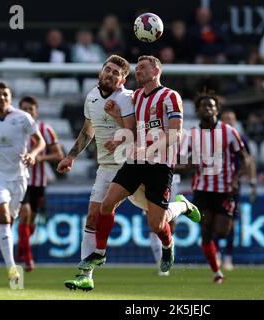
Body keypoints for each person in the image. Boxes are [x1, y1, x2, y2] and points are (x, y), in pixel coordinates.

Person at [58, 55, 200, 291]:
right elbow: (97, 129)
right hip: (120, 165)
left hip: (149, 163)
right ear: (100, 72)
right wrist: (72, 155)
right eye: (108, 70)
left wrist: (128, 139)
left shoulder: (149, 97)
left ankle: (181, 210)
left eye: (118, 72)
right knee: (98, 211)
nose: (111, 75)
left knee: (157, 223)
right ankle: (89, 268)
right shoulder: (111, 98)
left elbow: (161, 133)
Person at [0, 82, 46, 283]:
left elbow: (40, 141)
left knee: (9, 221)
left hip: (18, 176)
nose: (2, 98)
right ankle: (12, 269)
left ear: (10, 98)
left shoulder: (23, 118)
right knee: (4, 216)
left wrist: (32, 154)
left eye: (5, 94)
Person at [186, 92, 253, 283]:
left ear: (217, 109)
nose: (207, 108)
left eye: (211, 105)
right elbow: (181, 161)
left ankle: (222, 257)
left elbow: (245, 158)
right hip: (202, 189)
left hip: (225, 190)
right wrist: (188, 163)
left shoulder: (229, 132)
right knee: (206, 231)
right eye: (203, 106)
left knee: (222, 231)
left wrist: (236, 179)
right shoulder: (191, 134)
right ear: (197, 111)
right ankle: (217, 272)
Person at [17, 96, 64, 272]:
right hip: (20, 180)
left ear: (36, 111)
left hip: (39, 182)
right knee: (25, 213)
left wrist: (40, 157)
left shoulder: (45, 130)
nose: (27, 112)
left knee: (31, 221)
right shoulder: (14, 129)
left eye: (30, 109)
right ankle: (28, 260)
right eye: (24, 109)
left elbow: (58, 154)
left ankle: (21, 250)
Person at [215, 110, 256, 271]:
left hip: (233, 186)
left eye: (231, 119)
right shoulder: (213, 138)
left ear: (236, 121)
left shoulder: (241, 138)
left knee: (230, 222)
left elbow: (248, 161)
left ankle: (228, 257)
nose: (228, 122)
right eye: (225, 119)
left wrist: (252, 181)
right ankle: (216, 254)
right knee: (213, 220)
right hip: (214, 185)